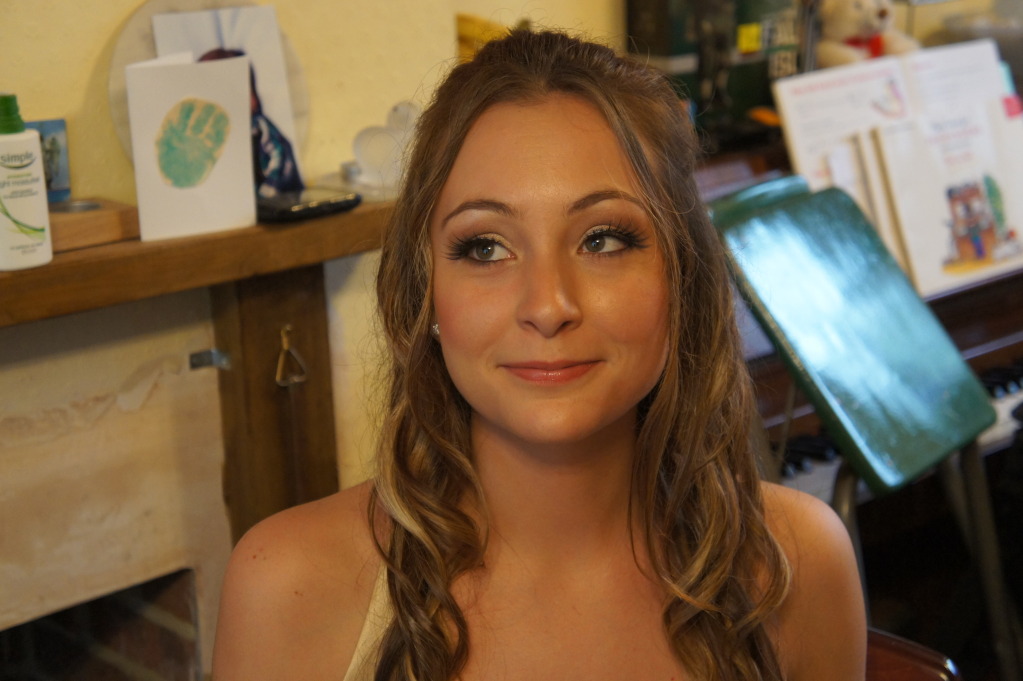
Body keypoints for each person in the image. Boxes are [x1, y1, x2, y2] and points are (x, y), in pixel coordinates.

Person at [211, 29, 866, 681]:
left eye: (603, 239)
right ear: (424, 293)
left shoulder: (800, 563)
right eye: (486, 248)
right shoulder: (286, 586)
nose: (548, 305)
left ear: (681, 275)